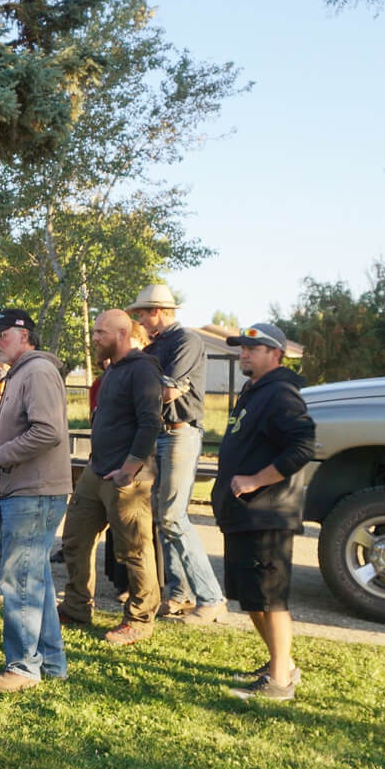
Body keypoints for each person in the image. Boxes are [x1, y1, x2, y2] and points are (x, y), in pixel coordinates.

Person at [214, 322, 317, 701]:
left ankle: (280, 683)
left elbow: (303, 445)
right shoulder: (254, 391)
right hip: (244, 515)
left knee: (271, 599)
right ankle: (281, 663)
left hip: (267, 515)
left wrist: (257, 480)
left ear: (276, 354)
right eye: (242, 348)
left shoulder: (282, 395)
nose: (244, 353)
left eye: (252, 349)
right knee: (253, 598)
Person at [0, 308, 72, 692]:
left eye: (2, 334)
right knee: (36, 580)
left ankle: (23, 667)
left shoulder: (36, 371)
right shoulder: (21, 372)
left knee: (18, 580)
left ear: (24, 335)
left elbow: (48, 431)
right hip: (29, 491)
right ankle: (50, 661)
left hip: (33, 492)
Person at [60, 309, 163, 646]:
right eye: (94, 332)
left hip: (126, 477)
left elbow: (150, 423)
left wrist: (129, 469)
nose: (94, 339)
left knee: (134, 549)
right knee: (75, 539)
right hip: (97, 469)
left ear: (121, 334)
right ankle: (76, 608)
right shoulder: (112, 371)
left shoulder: (142, 369)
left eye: (100, 332)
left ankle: (140, 619)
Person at [130, 283, 226, 622]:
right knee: (163, 516)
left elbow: (169, 391)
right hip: (162, 434)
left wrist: (135, 392)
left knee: (172, 516)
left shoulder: (186, 340)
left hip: (180, 432)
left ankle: (211, 597)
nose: (138, 319)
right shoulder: (158, 344)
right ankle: (179, 593)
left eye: (141, 312)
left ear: (157, 311)